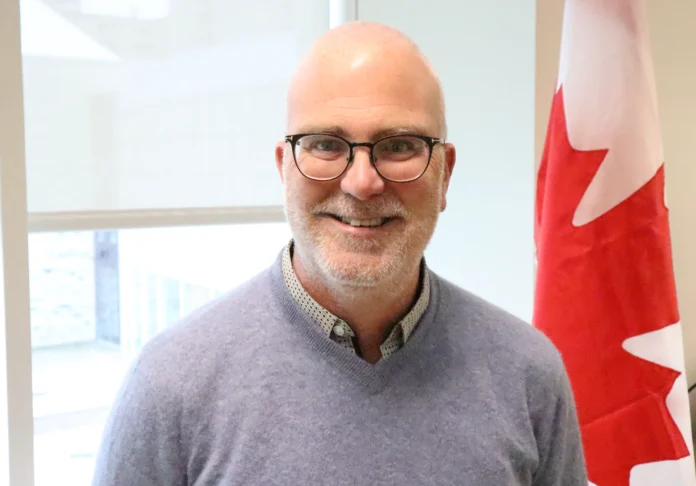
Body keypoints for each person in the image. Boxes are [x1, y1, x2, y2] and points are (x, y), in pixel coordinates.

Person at [91, 21, 588, 485]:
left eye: (399, 145)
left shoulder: (528, 376)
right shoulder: (169, 388)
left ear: (445, 174)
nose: (362, 182)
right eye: (326, 144)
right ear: (285, 169)